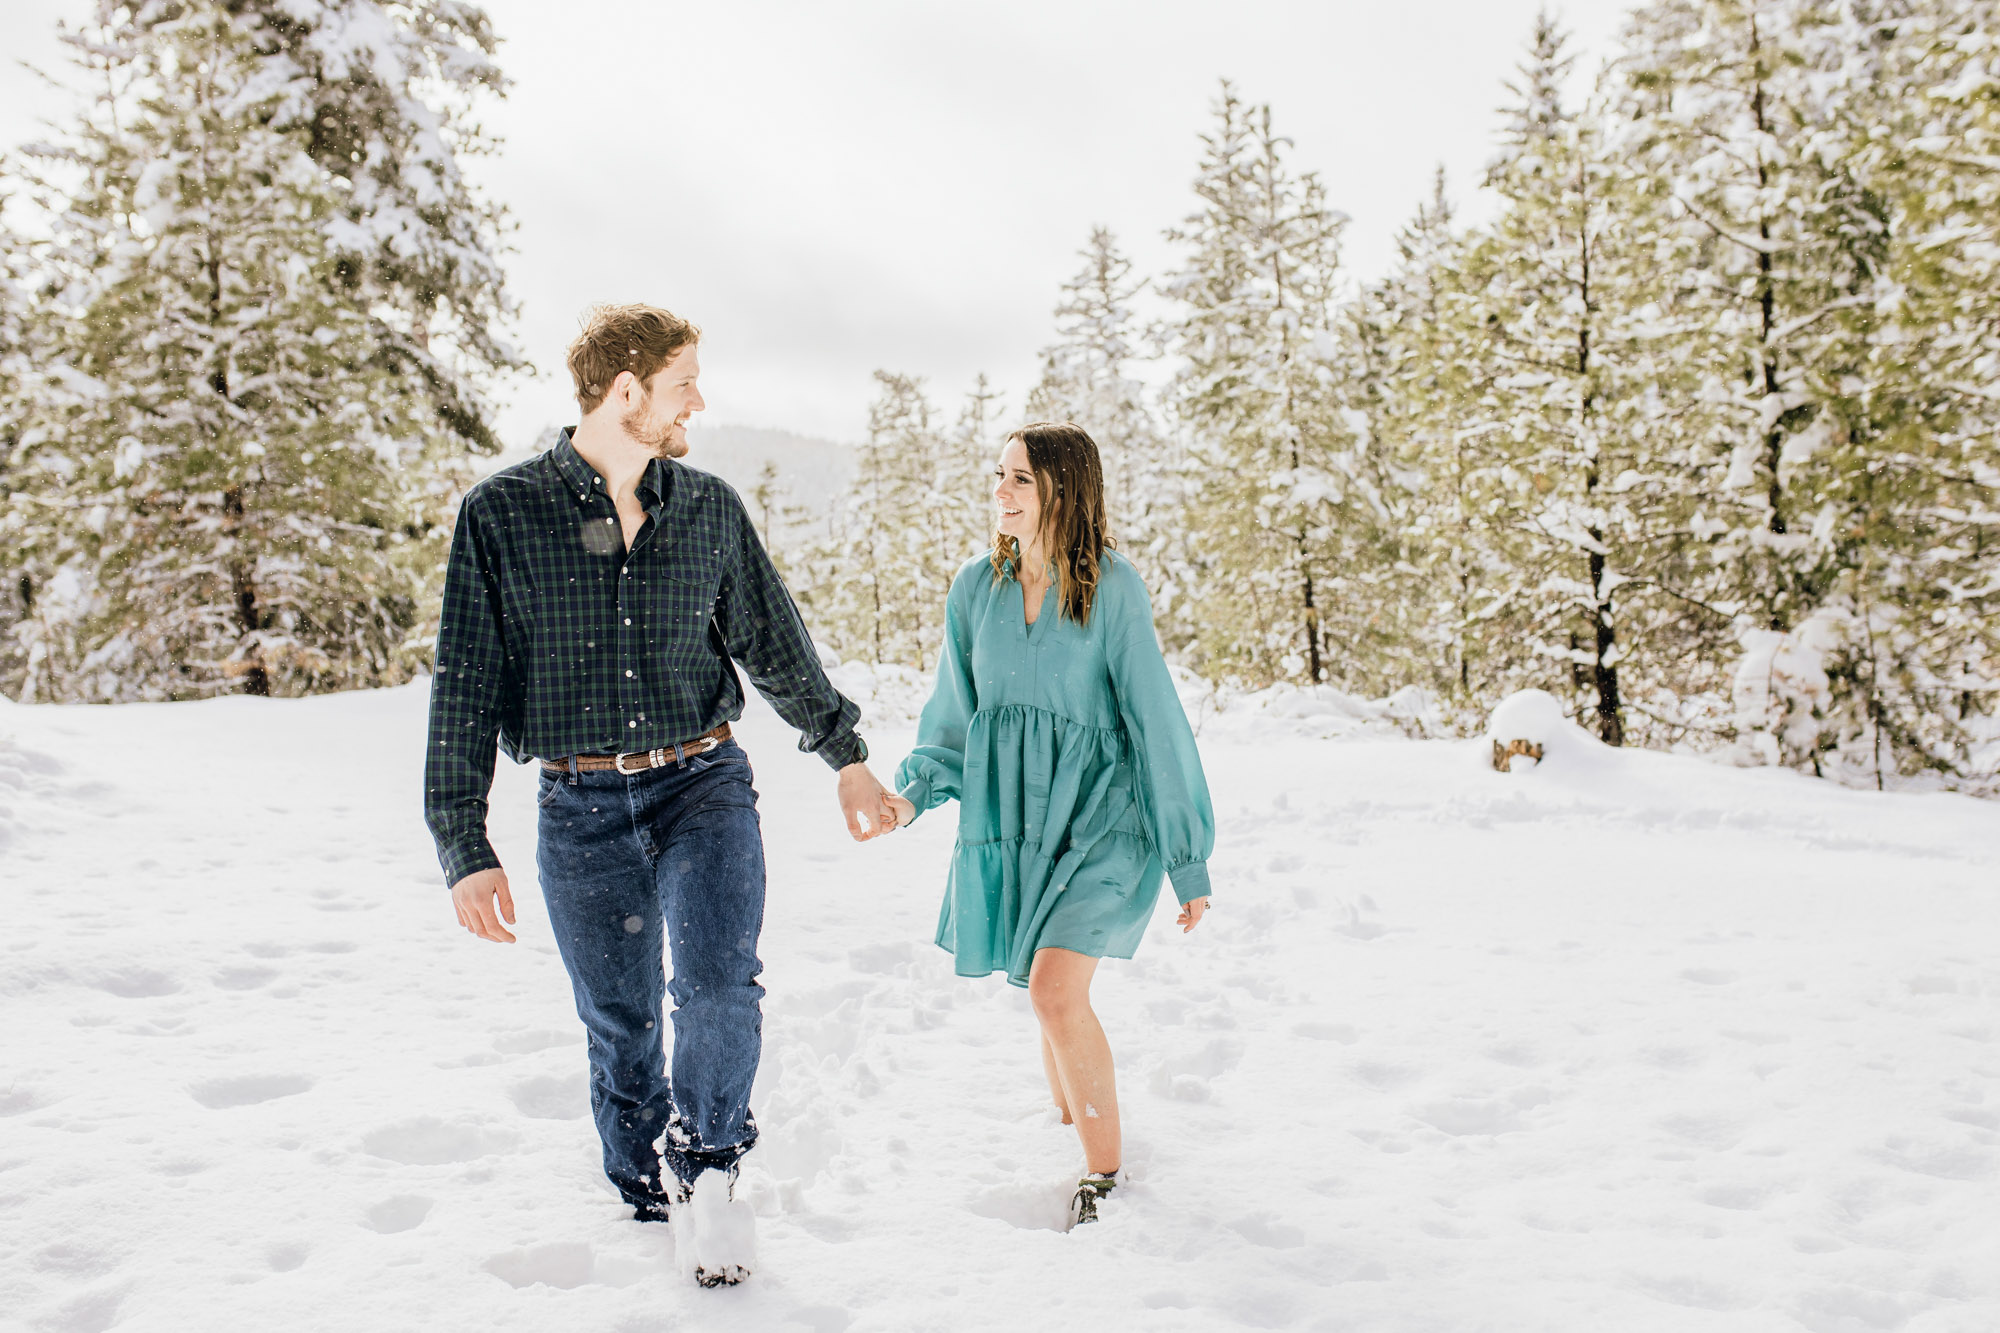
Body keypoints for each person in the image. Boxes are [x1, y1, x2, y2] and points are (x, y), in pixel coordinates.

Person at [422, 303, 901, 1287]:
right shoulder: (501, 517)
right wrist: (462, 840)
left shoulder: (708, 508)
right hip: (579, 808)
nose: (699, 400)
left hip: (703, 785)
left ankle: (712, 1165)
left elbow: (770, 639)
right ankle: (646, 1183)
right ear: (625, 390)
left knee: (719, 982)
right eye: (684, 381)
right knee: (620, 1018)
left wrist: (843, 751)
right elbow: (466, 682)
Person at [882, 421, 1215, 1230]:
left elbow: (1157, 720)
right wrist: (913, 793)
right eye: (999, 475)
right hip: (1021, 824)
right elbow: (955, 717)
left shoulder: (1113, 590)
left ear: (1065, 490)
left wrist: (1187, 855)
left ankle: (1104, 1175)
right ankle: (1066, 1126)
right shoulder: (976, 590)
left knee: (1054, 987)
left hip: (1106, 822)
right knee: (1046, 990)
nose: (1001, 491)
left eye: (1021, 479)